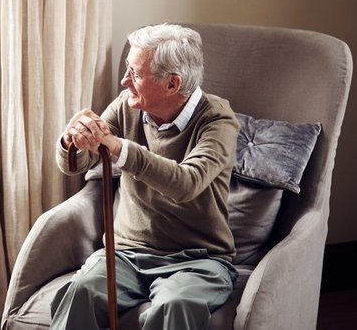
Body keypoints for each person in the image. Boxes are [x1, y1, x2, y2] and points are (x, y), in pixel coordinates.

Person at [50, 23, 239, 330]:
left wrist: (120, 148)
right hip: (126, 254)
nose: (125, 81)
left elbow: (186, 183)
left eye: (135, 74)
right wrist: (72, 139)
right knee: (80, 292)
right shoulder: (127, 107)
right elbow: (77, 163)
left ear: (172, 84)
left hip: (198, 261)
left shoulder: (217, 120)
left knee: (176, 306)